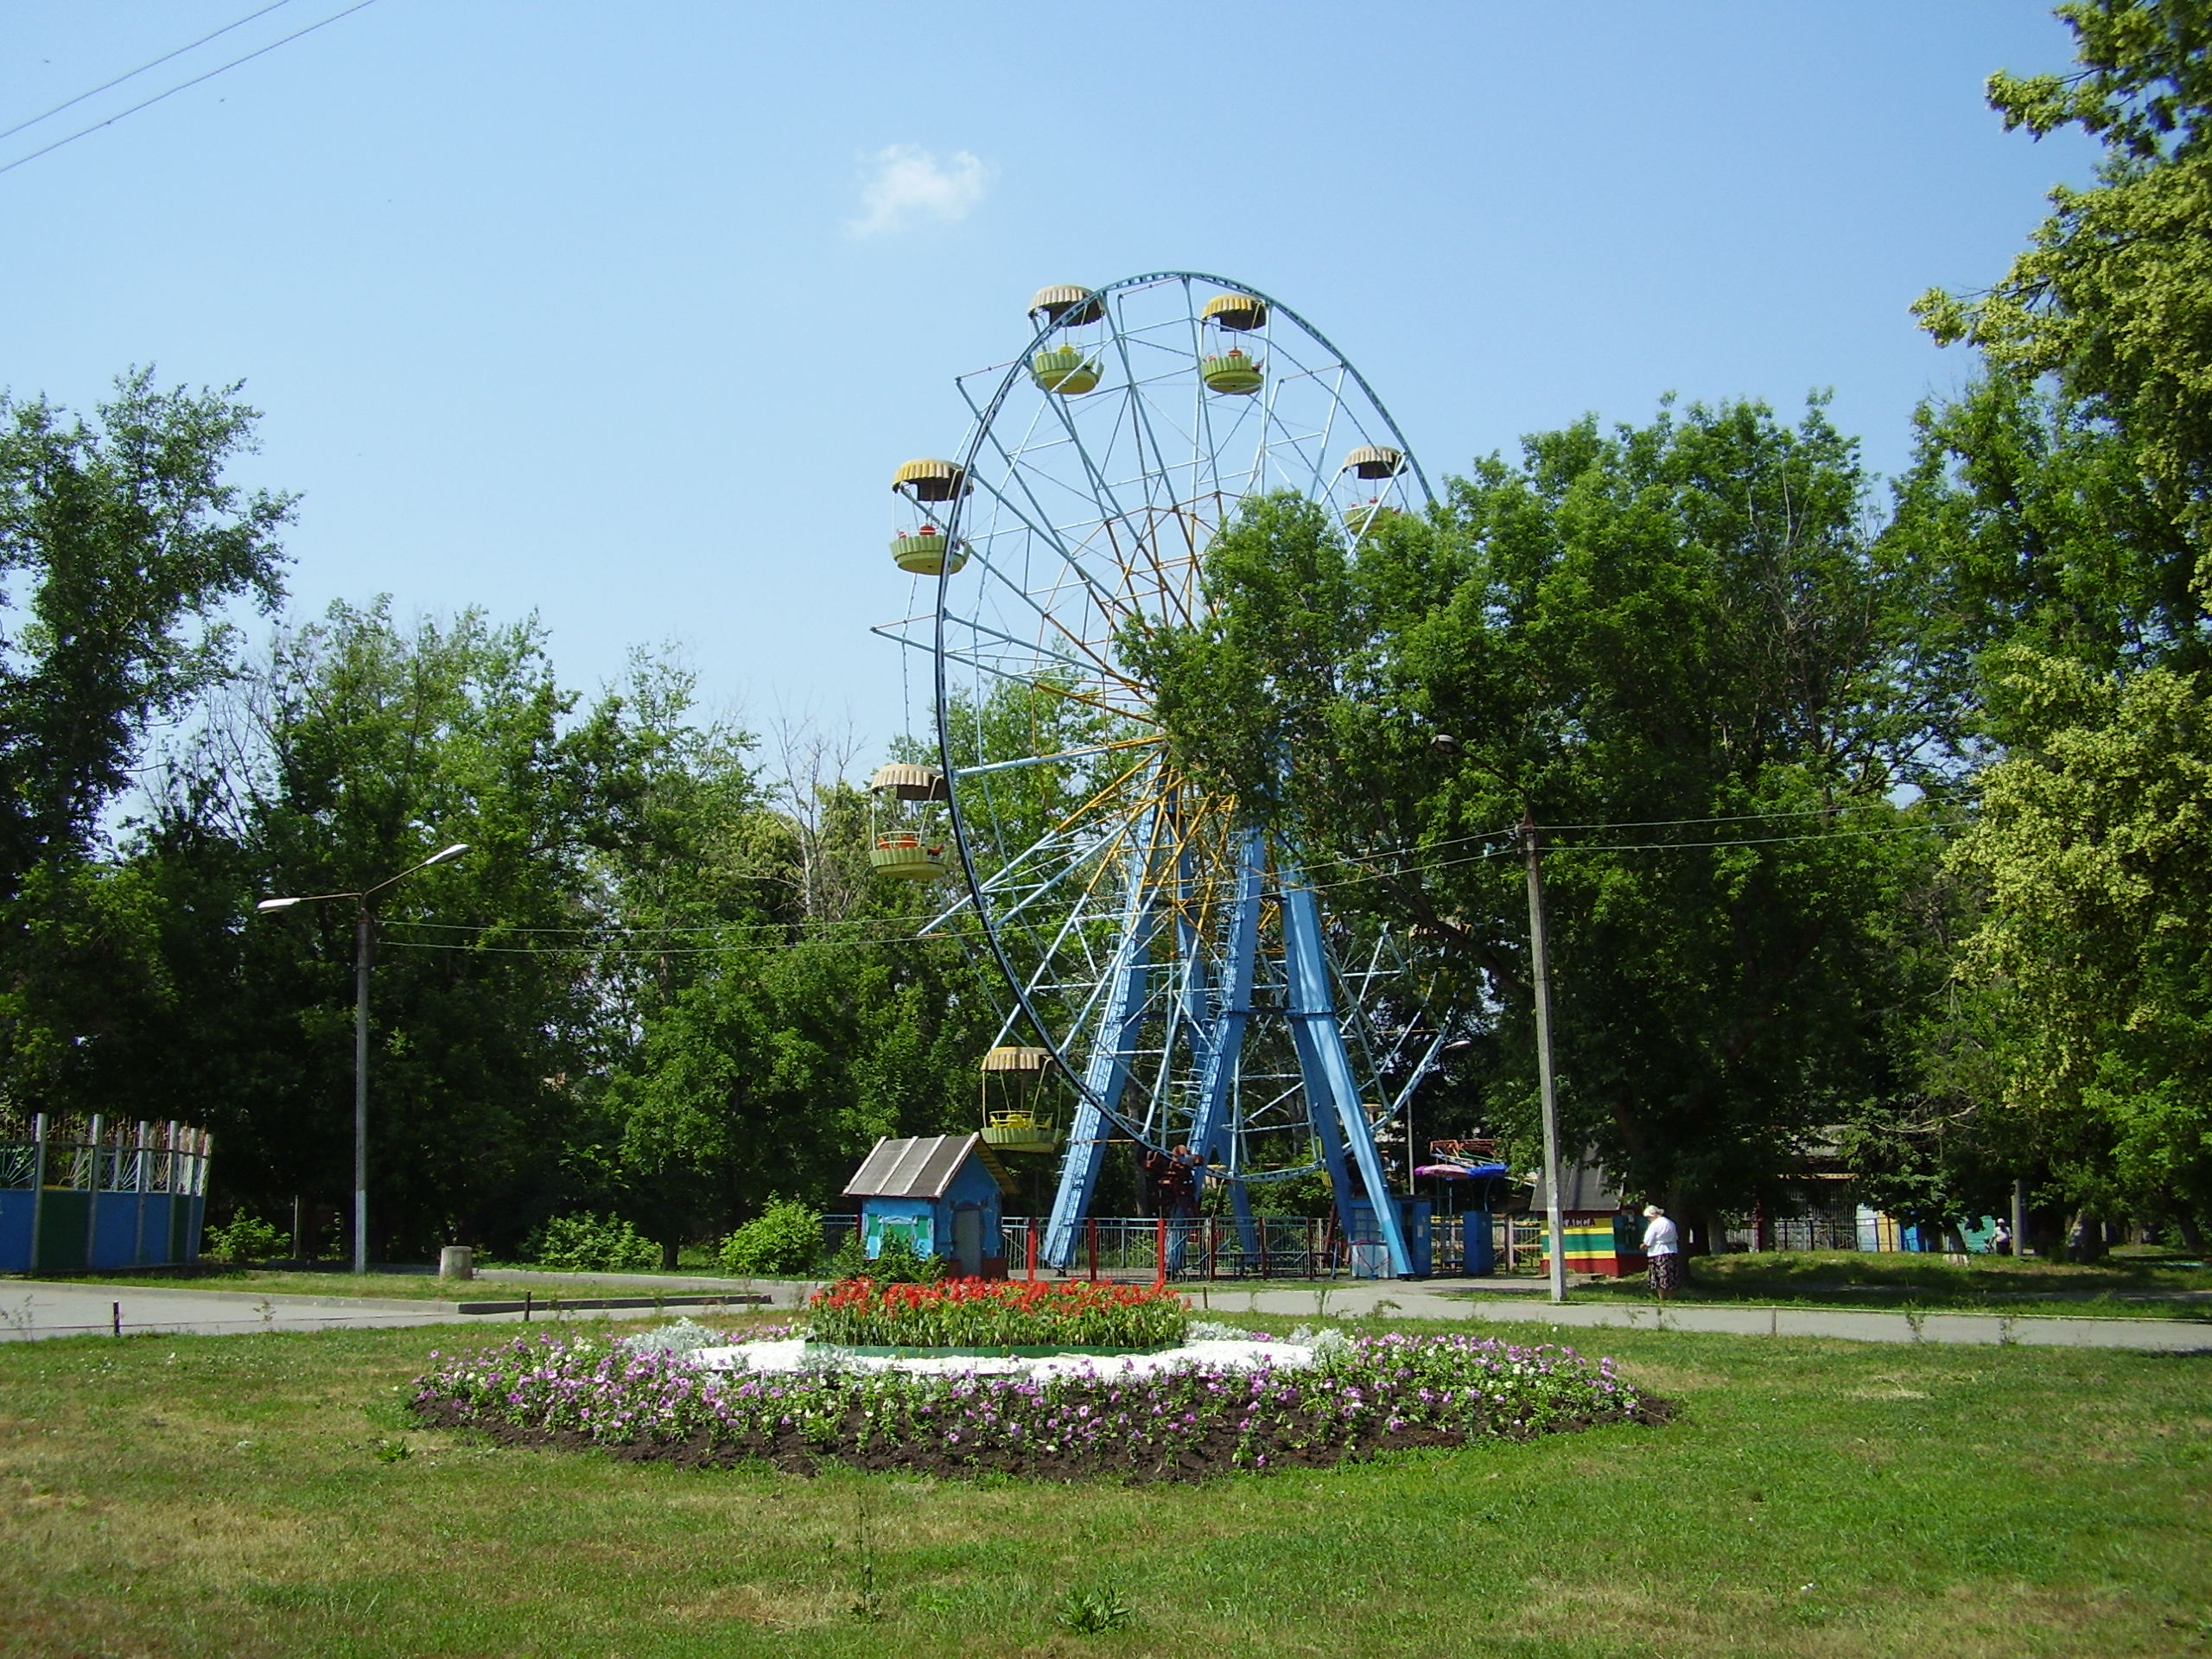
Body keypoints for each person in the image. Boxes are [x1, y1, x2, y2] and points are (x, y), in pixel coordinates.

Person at [1642, 1203, 1683, 1300]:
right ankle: (1671, 1297)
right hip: (1671, 1251)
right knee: (1670, 1276)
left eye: (1648, 1217)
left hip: (1657, 1252)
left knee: (1658, 1277)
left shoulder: (1654, 1225)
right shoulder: (1670, 1223)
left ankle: (1661, 1298)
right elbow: (1676, 1237)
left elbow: (1648, 1241)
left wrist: (1643, 1246)